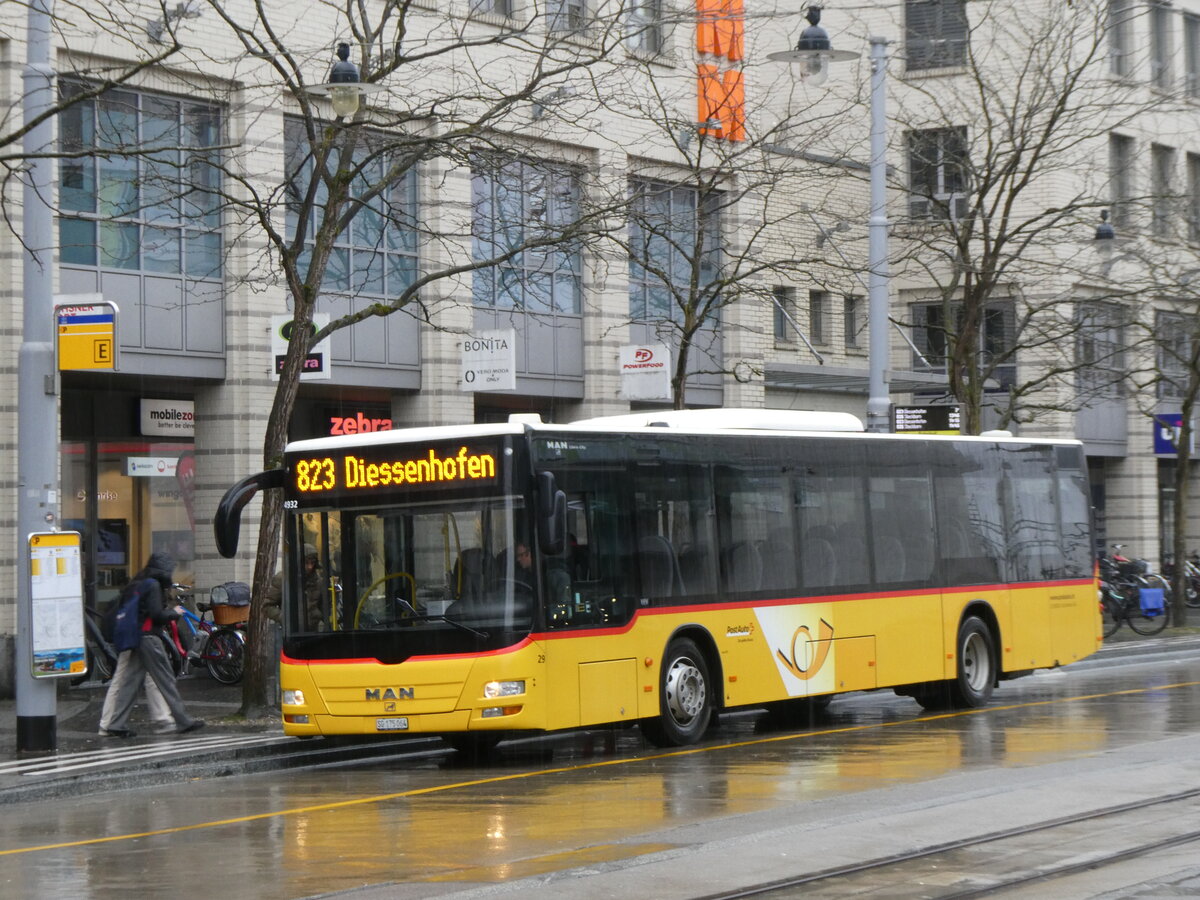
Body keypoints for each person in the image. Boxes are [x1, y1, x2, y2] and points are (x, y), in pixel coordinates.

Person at [102, 552, 205, 737]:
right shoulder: (154, 586)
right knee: (166, 680)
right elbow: (157, 614)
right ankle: (183, 720)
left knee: (130, 683)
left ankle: (116, 724)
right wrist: (175, 613)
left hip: (136, 638)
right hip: (149, 639)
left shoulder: (140, 583)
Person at [264, 543, 324, 629]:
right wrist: (283, 618)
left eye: (312, 563)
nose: (310, 567)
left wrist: (319, 616)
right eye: (306, 563)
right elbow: (267, 606)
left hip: (313, 631)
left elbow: (323, 605)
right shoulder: (282, 579)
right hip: (292, 631)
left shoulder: (318, 581)